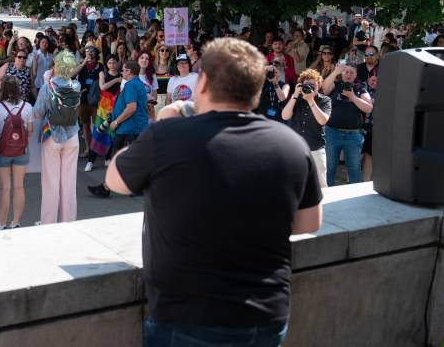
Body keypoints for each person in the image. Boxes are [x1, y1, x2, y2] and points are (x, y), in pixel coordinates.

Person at [103, 37, 322, 346]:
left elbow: (115, 179)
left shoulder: (168, 135)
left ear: (203, 83)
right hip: (266, 317)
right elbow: (309, 222)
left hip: (188, 318)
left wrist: (163, 123)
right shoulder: (291, 145)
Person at [87, 60, 149, 198]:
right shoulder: (135, 84)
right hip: (130, 128)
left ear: (129, 71)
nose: (121, 72)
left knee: (119, 159)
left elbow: (131, 108)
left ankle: (108, 187)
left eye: (123, 70)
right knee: (126, 159)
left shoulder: (131, 85)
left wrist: (116, 121)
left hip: (129, 128)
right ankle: (124, 187)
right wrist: (115, 113)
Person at [32, 51, 81, 224]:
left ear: (56, 66)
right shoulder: (76, 86)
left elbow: (37, 112)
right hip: (72, 136)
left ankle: (49, 223)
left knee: (50, 183)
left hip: (52, 135)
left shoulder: (48, 87)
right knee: (69, 183)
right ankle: (68, 222)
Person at [0, 75, 34, 230]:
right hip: (21, 150)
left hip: (1, 151)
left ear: (2, 89)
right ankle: (16, 222)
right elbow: (30, 131)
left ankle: (1, 223)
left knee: (4, 187)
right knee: (19, 186)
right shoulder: (27, 107)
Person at [321, 64, 374, 186]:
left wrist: (353, 97)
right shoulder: (336, 85)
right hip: (332, 132)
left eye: (352, 72)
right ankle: (327, 192)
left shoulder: (360, 88)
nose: (349, 74)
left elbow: (368, 108)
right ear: (342, 74)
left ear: (356, 75)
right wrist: (335, 72)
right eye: (346, 72)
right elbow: (324, 88)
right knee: (330, 165)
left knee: (354, 167)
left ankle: (355, 195)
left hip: (353, 135)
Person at [281, 69, 331, 189]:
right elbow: (285, 116)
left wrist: (310, 100)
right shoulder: (296, 99)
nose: (310, 87)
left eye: (313, 85)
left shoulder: (325, 100)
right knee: (295, 183)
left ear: (319, 86)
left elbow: (323, 120)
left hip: (316, 148)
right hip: (297, 148)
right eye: (307, 84)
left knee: (321, 184)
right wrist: (295, 95)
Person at [84, 54, 123, 172]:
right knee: (98, 133)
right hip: (103, 109)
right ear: (106, 64)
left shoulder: (122, 75)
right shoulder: (103, 74)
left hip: (116, 108)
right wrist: (116, 80)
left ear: (118, 63)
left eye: (114, 62)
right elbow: (102, 87)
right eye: (110, 63)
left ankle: (107, 158)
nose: (112, 65)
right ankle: (90, 161)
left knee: (111, 133)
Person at [73, 45, 103, 156]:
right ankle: (88, 149)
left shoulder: (100, 66)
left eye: (92, 51)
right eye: (87, 51)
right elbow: (72, 74)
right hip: (83, 99)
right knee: (85, 125)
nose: (89, 53)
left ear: (96, 53)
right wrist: (84, 63)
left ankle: (96, 148)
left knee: (97, 125)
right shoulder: (81, 64)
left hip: (96, 100)